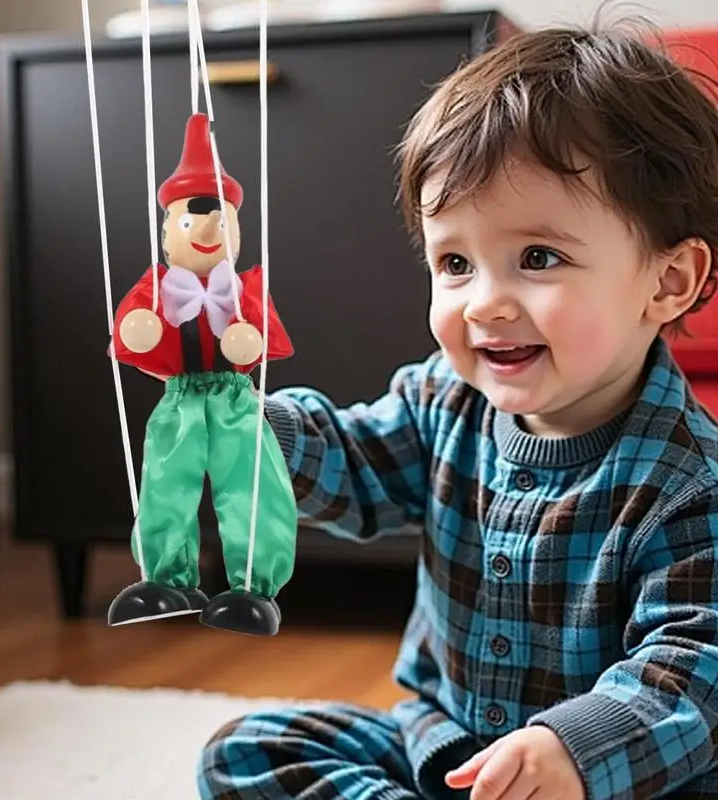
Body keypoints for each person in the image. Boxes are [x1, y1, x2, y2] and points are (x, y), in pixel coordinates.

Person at [197, 19, 718, 800]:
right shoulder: (441, 401)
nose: (485, 303)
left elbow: (692, 676)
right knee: (245, 752)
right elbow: (354, 464)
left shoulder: (691, 485)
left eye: (538, 258)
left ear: (669, 282)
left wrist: (570, 750)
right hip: (441, 749)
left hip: (604, 784)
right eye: (454, 263)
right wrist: (252, 432)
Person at [107, 112, 297, 636]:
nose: (207, 232)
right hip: (180, 398)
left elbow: (264, 336)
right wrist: (139, 328)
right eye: (191, 221)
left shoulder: (244, 288)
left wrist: (248, 339)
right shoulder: (159, 287)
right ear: (169, 232)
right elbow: (134, 329)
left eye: (219, 220)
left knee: (249, 484)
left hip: (235, 399)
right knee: (167, 479)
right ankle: (167, 577)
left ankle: (253, 586)